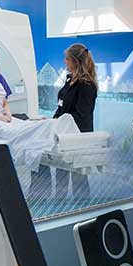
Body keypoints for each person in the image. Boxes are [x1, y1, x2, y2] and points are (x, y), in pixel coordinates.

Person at [0, 42, 80, 171]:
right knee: (13, 131)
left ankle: (58, 133)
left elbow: (4, 102)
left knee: (27, 125)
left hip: (0, 116)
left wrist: (8, 112)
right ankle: (50, 141)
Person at [52, 43, 98, 199]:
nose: (65, 62)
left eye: (67, 59)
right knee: (61, 176)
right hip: (63, 136)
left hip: (78, 137)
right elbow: (61, 107)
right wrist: (53, 121)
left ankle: (83, 211)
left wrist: (60, 122)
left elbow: (81, 115)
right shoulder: (69, 81)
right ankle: (60, 210)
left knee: (79, 179)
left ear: (76, 61)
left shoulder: (86, 85)